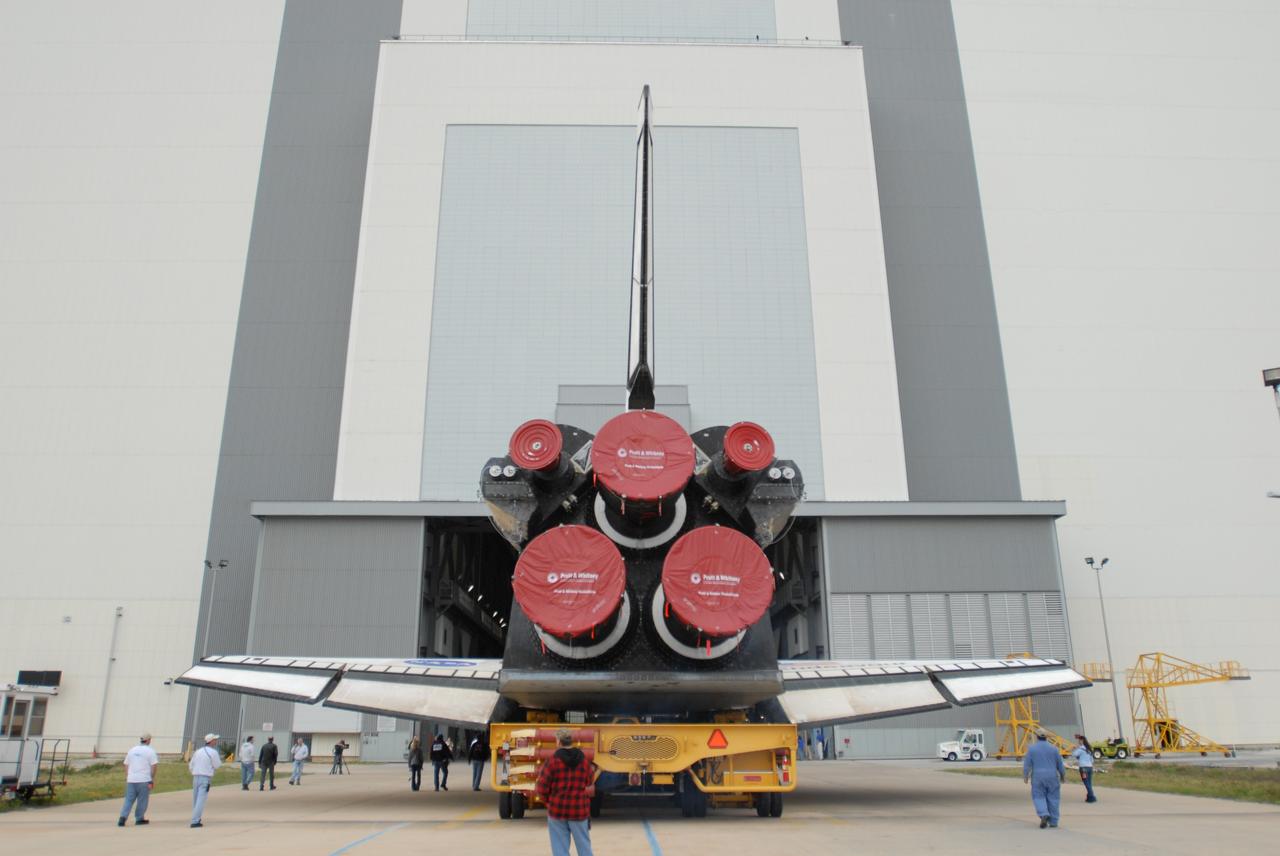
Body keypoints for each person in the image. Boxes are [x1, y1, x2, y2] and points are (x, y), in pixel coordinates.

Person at [535, 729, 595, 856]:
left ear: (558, 742)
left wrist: (549, 802)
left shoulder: (552, 762)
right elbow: (589, 780)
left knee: (560, 849)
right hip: (579, 810)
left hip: (557, 810)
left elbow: (541, 788)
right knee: (584, 847)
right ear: (570, 741)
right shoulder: (583, 761)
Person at [1022, 729, 1066, 829]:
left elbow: (1027, 765)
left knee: (1038, 797)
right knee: (1054, 798)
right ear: (1046, 737)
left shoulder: (1032, 749)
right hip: (1052, 777)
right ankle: (1054, 821)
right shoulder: (1054, 749)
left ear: (1037, 737)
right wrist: (1063, 775)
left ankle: (1043, 813)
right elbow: (1060, 764)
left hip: (1037, 777)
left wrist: (1025, 776)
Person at [117, 732, 158, 827]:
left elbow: (126, 764)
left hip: (131, 779)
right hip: (144, 779)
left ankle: (122, 818)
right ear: (148, 740)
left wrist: (128, 775)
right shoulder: (150, 751)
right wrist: (151, 778)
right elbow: (154, 766)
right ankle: (139, 818)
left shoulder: (132, 750)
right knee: (142, 800)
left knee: (129, 799)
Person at [189, 732, 222, 828]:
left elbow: (191, 765)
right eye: (215, 740)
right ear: (211, 741)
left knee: (196, 799)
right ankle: (195, 820)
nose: (216, 741)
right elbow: (217, 765)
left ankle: (196, 817)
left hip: (196, 777)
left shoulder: (198, 751)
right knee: (201, 800)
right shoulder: (213, 752)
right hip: (205, 777)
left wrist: (194, 772)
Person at [1071, 734, 1097, 803]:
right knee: (1089, 782)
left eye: (1079, 740)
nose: (1078, 741)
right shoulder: (1089, 749)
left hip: (1083, 768)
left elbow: (1074, 754)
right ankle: (1089, 797)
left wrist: (1073, 749)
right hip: (1090, 767)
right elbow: (1092, 760)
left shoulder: (1081, 749)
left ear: (1082, 741)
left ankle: (1092, 797)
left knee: (1086, 783)